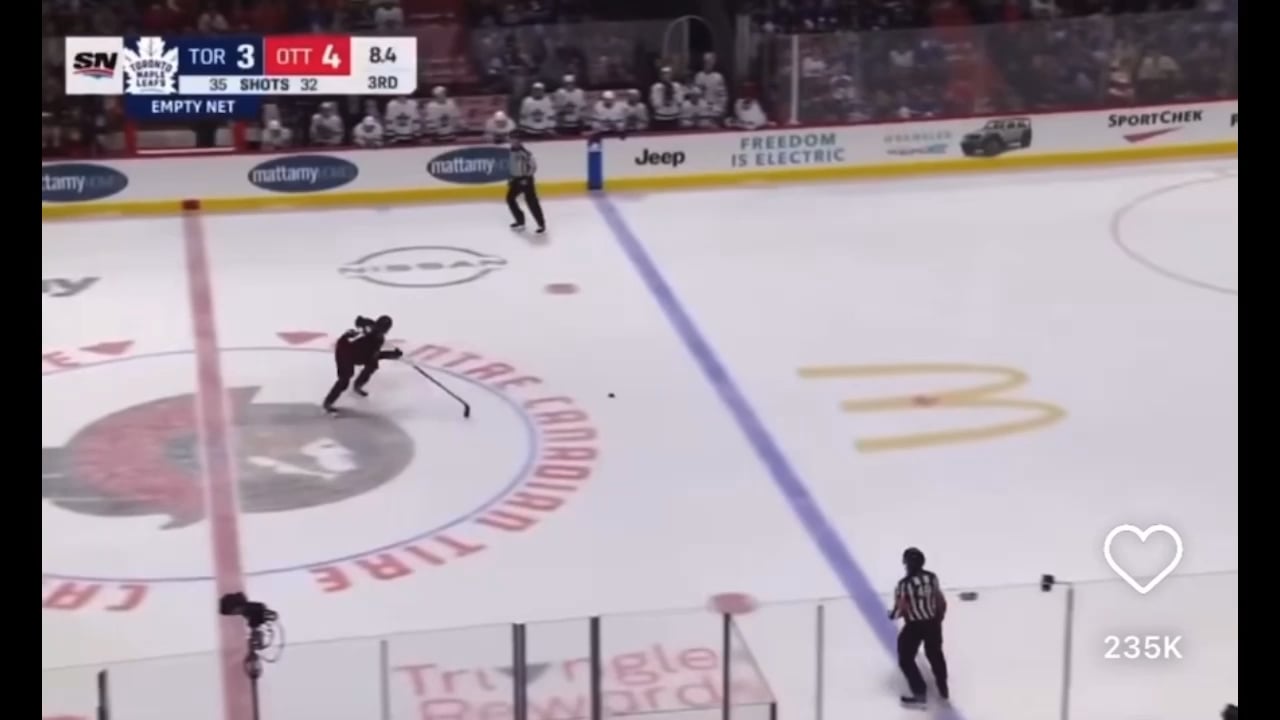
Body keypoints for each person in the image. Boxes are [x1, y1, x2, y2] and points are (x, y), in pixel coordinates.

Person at [890, 547, 949, 706]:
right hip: (933, 623)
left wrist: (892, 615)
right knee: (935, 655)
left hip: (915, 626)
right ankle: (943, 688)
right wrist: (938, 618)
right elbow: (939, 600)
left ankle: (919, 692)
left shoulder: (904, 585)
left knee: (905, 658)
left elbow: (901, 608)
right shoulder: (932, 577)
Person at [322, 315, 403, 415]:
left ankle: (358, 385)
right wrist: (362, 326)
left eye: (383, 330)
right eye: (380, 329)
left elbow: (375, 356)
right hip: (344, 351)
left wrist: (391, 354)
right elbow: (359, 320)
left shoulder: (378, 340)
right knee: (345, 378)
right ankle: (328, 402)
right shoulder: (369, 329)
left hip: (358, 353)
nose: (380, 332)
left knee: (372, 365)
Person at [507, 136, 546, 234]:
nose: (513, 142)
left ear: (519, 141)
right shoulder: (511, 152)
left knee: (531, 202)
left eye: (515, 140)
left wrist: (526, 178)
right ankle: (520, 221)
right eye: (511, 140)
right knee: (510, 199)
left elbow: (533, 166)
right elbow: (512, 166)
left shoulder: (525, 153)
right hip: (515, 180)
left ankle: (541, 224)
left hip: (526, 180)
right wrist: (511, 178)